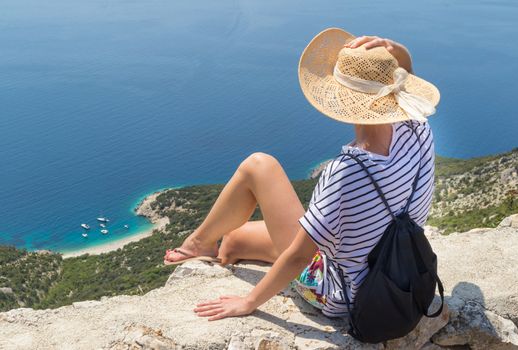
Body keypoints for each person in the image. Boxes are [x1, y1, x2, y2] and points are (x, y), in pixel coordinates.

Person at [163, 28, 440, 321]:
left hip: (343, 293)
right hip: (396, 269)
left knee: (259, 165)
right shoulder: (418, 126)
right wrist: (392, 49)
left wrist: (248, 302)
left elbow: (300, 257)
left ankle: (198, 244)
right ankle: (206, 246)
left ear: (343, 98)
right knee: (234, 238)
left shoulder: (348, 171)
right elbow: (405, 75)